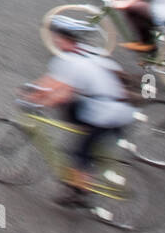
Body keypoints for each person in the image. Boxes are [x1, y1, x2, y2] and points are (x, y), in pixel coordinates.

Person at [24, 15, 136, 205]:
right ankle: (85, 168)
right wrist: (36, 91)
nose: (54, 40)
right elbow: (52, 82)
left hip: (104, 116)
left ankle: (79, 193)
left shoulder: (69, 62)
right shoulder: (94, 53)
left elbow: (61, 93)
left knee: (78, 154)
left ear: (64, 39)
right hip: (121, 112)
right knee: (85, 139)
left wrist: (36, 103)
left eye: (56, 37)